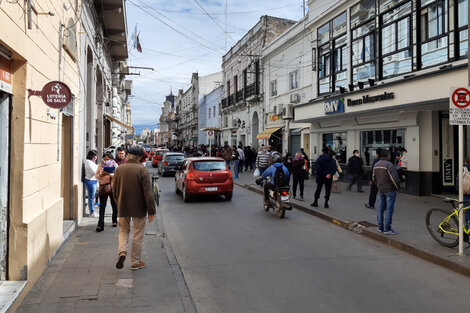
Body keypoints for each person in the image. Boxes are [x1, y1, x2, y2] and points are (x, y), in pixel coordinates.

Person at [112, 148, 156, 270]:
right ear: (139, 158)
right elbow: (148, 192)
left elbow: (114, 189)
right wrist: (151, 210)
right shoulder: (142, 170)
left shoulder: (119, 169)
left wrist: (118, 202)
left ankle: (122, 252)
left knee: (123, 231)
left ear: (128, 156)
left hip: (123, 206)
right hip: (139, 208)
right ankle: (135, 262)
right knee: (137, 234)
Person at [373, 149, 400, 234]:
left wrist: (378, 185)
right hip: (389, 190)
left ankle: (380, 227)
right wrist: (397, 188)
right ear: (388, 156)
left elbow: (374, 178)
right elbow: (394, 179)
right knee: (389, 209)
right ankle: (387, 228)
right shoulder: (389, 165)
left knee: (380, 209)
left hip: (380, 190)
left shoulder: (376, 164)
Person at [95, 152, 119, 232]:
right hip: (103, 187)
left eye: (107, 159)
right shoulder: (100, 165)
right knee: (102, 206)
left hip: (113, 188)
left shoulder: (115, 165)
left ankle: (114, 220)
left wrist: (110, 174)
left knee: (114, 205)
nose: (106, 161)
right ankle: (100, 224)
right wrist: (101, 175)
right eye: (104, 159)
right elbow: (96, 176)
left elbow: (118, 176)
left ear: (111, 159)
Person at [83, 150, 99, 217]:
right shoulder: (88, 162)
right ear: (91, 156)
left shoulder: (92, 162)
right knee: (91, 197)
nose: (96, 157)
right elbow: (94, 172)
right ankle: (92, 212)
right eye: (95, 156)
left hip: (93, 180)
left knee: (92, 197)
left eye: (96, 156)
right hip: (90, 181)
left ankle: (92, 211)